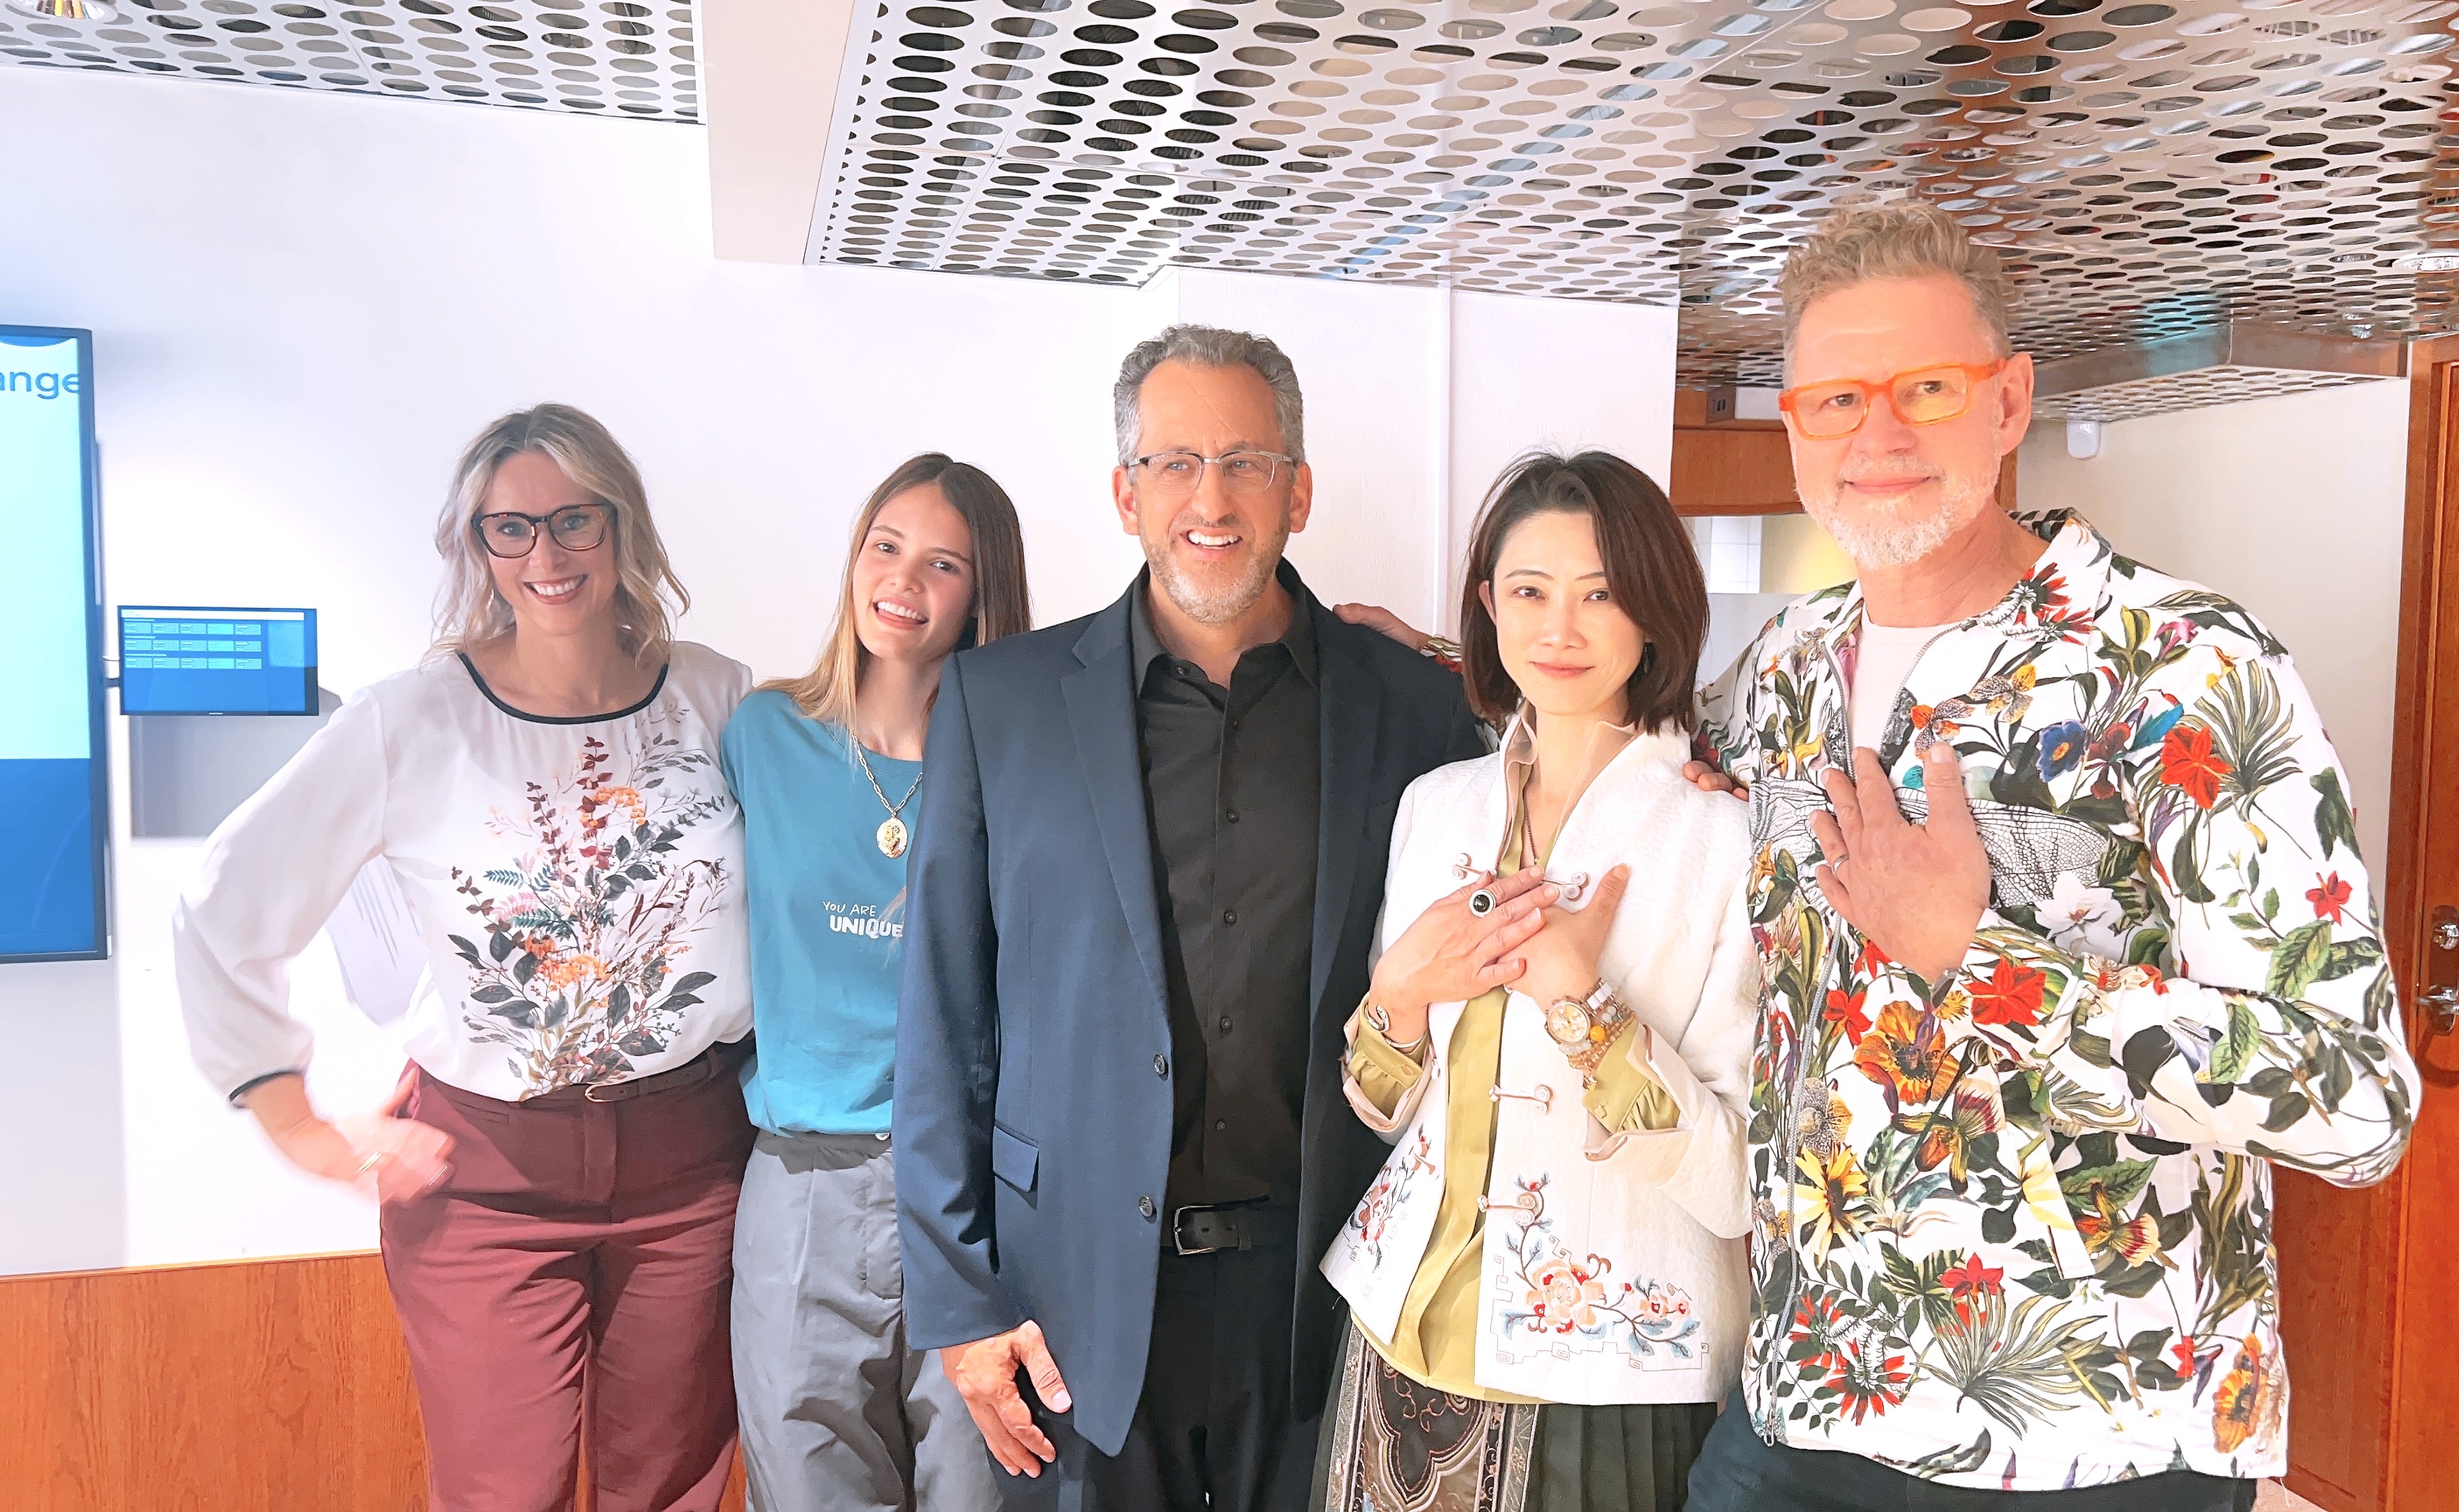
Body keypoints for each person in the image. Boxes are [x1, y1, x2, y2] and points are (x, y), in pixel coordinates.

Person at [1340, 203, 2421, 1510]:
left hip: (2090, 1425)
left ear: (2009, 402)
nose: (1880, 435)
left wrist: (1983, 961)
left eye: (1927, 389)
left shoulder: (2188, 671)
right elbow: (1606, 706)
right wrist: (1422, 655)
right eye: (1839, 399)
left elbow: (2360, 1103)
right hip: (1808, 1390)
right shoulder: (1788, 672)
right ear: (1796, 425)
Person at [892, 324, 1518, 1512]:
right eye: (1175, 463)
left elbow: (1561, 756)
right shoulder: (999, 704)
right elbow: (942, 1020)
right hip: (1071, 1306)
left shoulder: (1412, 710)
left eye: (1246, 463)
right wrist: (961, 1305)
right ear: (1126, 494)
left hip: (1324, 1299)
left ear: (1299, 491)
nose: (1212, 498)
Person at [174, 402, 758, 1512]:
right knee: (504, 1493)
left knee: (671, 1489)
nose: (547, 554)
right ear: (477, 546)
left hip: (695, 1165)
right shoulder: (411, 720)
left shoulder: (715, 695)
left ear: (621, 525)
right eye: (511, 528)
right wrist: (296, 1125)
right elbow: (224, 902)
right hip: (487, 1181)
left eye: (575, 519)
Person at [1313, 450, 1759, 1512]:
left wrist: (1585, 1011)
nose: (1560, 629)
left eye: (1601, 594)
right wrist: (1400, 998)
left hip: (1611, 1374)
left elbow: (1741, 1180)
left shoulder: (1725, 836)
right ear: (1487, 605)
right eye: (1529, 592)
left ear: (1655, 608)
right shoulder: (1435, 807)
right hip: (1393, 1335)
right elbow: (1382, 1108)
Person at [720, 454, 1031, 1512]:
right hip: (803, 1185)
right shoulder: (763, 734)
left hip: (972, 1189)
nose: (903, 579)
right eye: (885, 546)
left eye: (944, 563)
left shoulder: (1022, 764)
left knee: (985, 1488)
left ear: (983, 594)